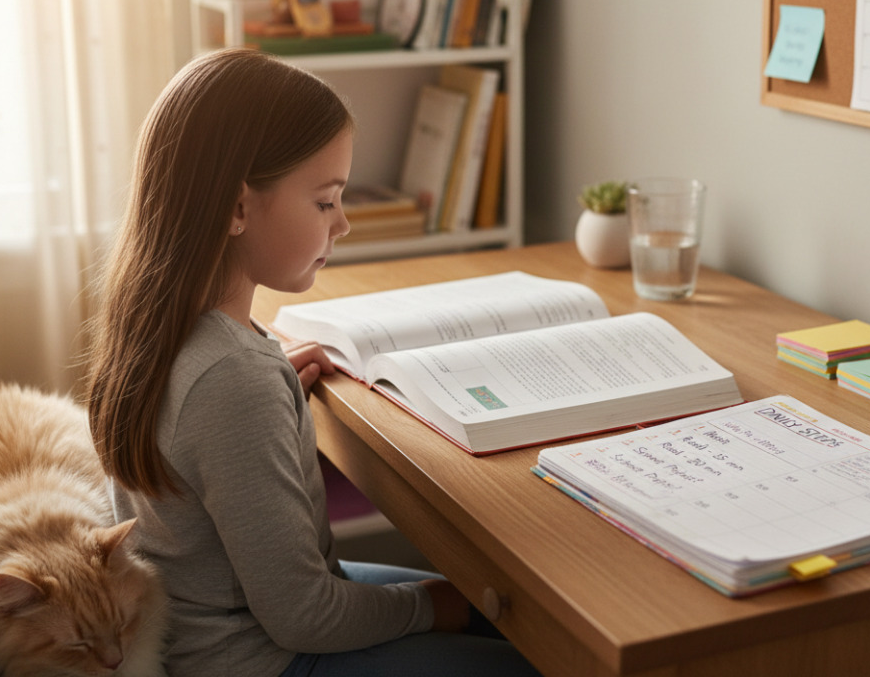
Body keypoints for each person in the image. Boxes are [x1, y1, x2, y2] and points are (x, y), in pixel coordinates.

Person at [84, 48, 537, 677]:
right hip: (269, 658)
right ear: (236, 209)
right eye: (325, 202)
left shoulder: (161, 325)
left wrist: (268, 390)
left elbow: (211, 432)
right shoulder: (231, 382)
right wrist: (434, 607)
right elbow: (307, 617)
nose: (343, 223)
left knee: (504, 614)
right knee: (528, 646)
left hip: (226, 630)